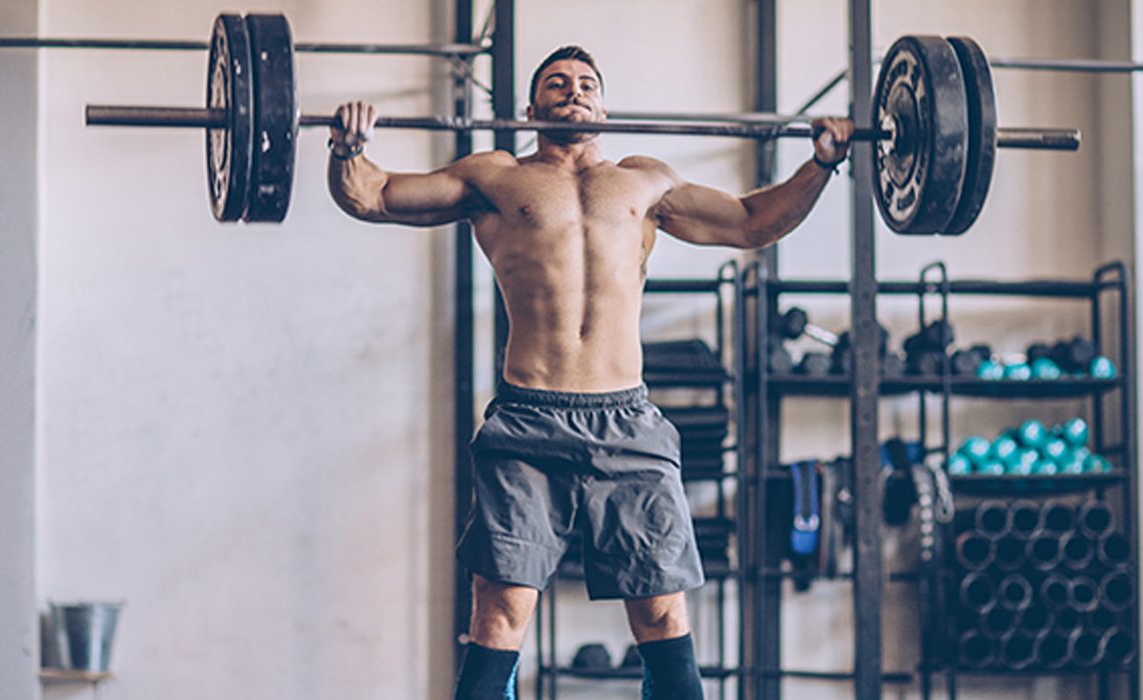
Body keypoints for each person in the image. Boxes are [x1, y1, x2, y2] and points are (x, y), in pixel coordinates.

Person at [328, 45, 852, 700]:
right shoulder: (495, 177)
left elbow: (751, 223)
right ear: (530, 108)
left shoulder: (645, 180)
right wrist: (348, 149)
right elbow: (374, 195)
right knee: (500, 613)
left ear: (604, 105)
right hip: (527, 423)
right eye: (556, 83)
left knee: (662, 614)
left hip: (627, 423)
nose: (572, 90)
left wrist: (823, 164)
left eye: (585, 83)